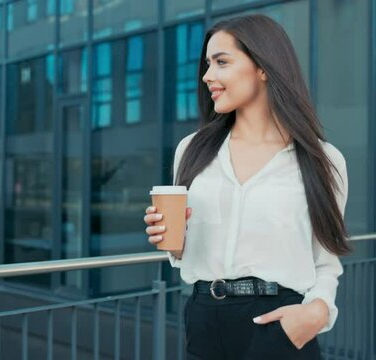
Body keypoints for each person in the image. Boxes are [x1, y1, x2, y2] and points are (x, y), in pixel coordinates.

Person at [144, 14, 350, 359]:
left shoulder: (322, 160)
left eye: (222, 62)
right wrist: (173, 243)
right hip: (204, 319)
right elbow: (184, 254)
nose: (208, 76)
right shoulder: (191, 149)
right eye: (207, 64)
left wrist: (317, 312)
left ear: (263, 67)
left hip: (280, 322)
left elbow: (326, 262)